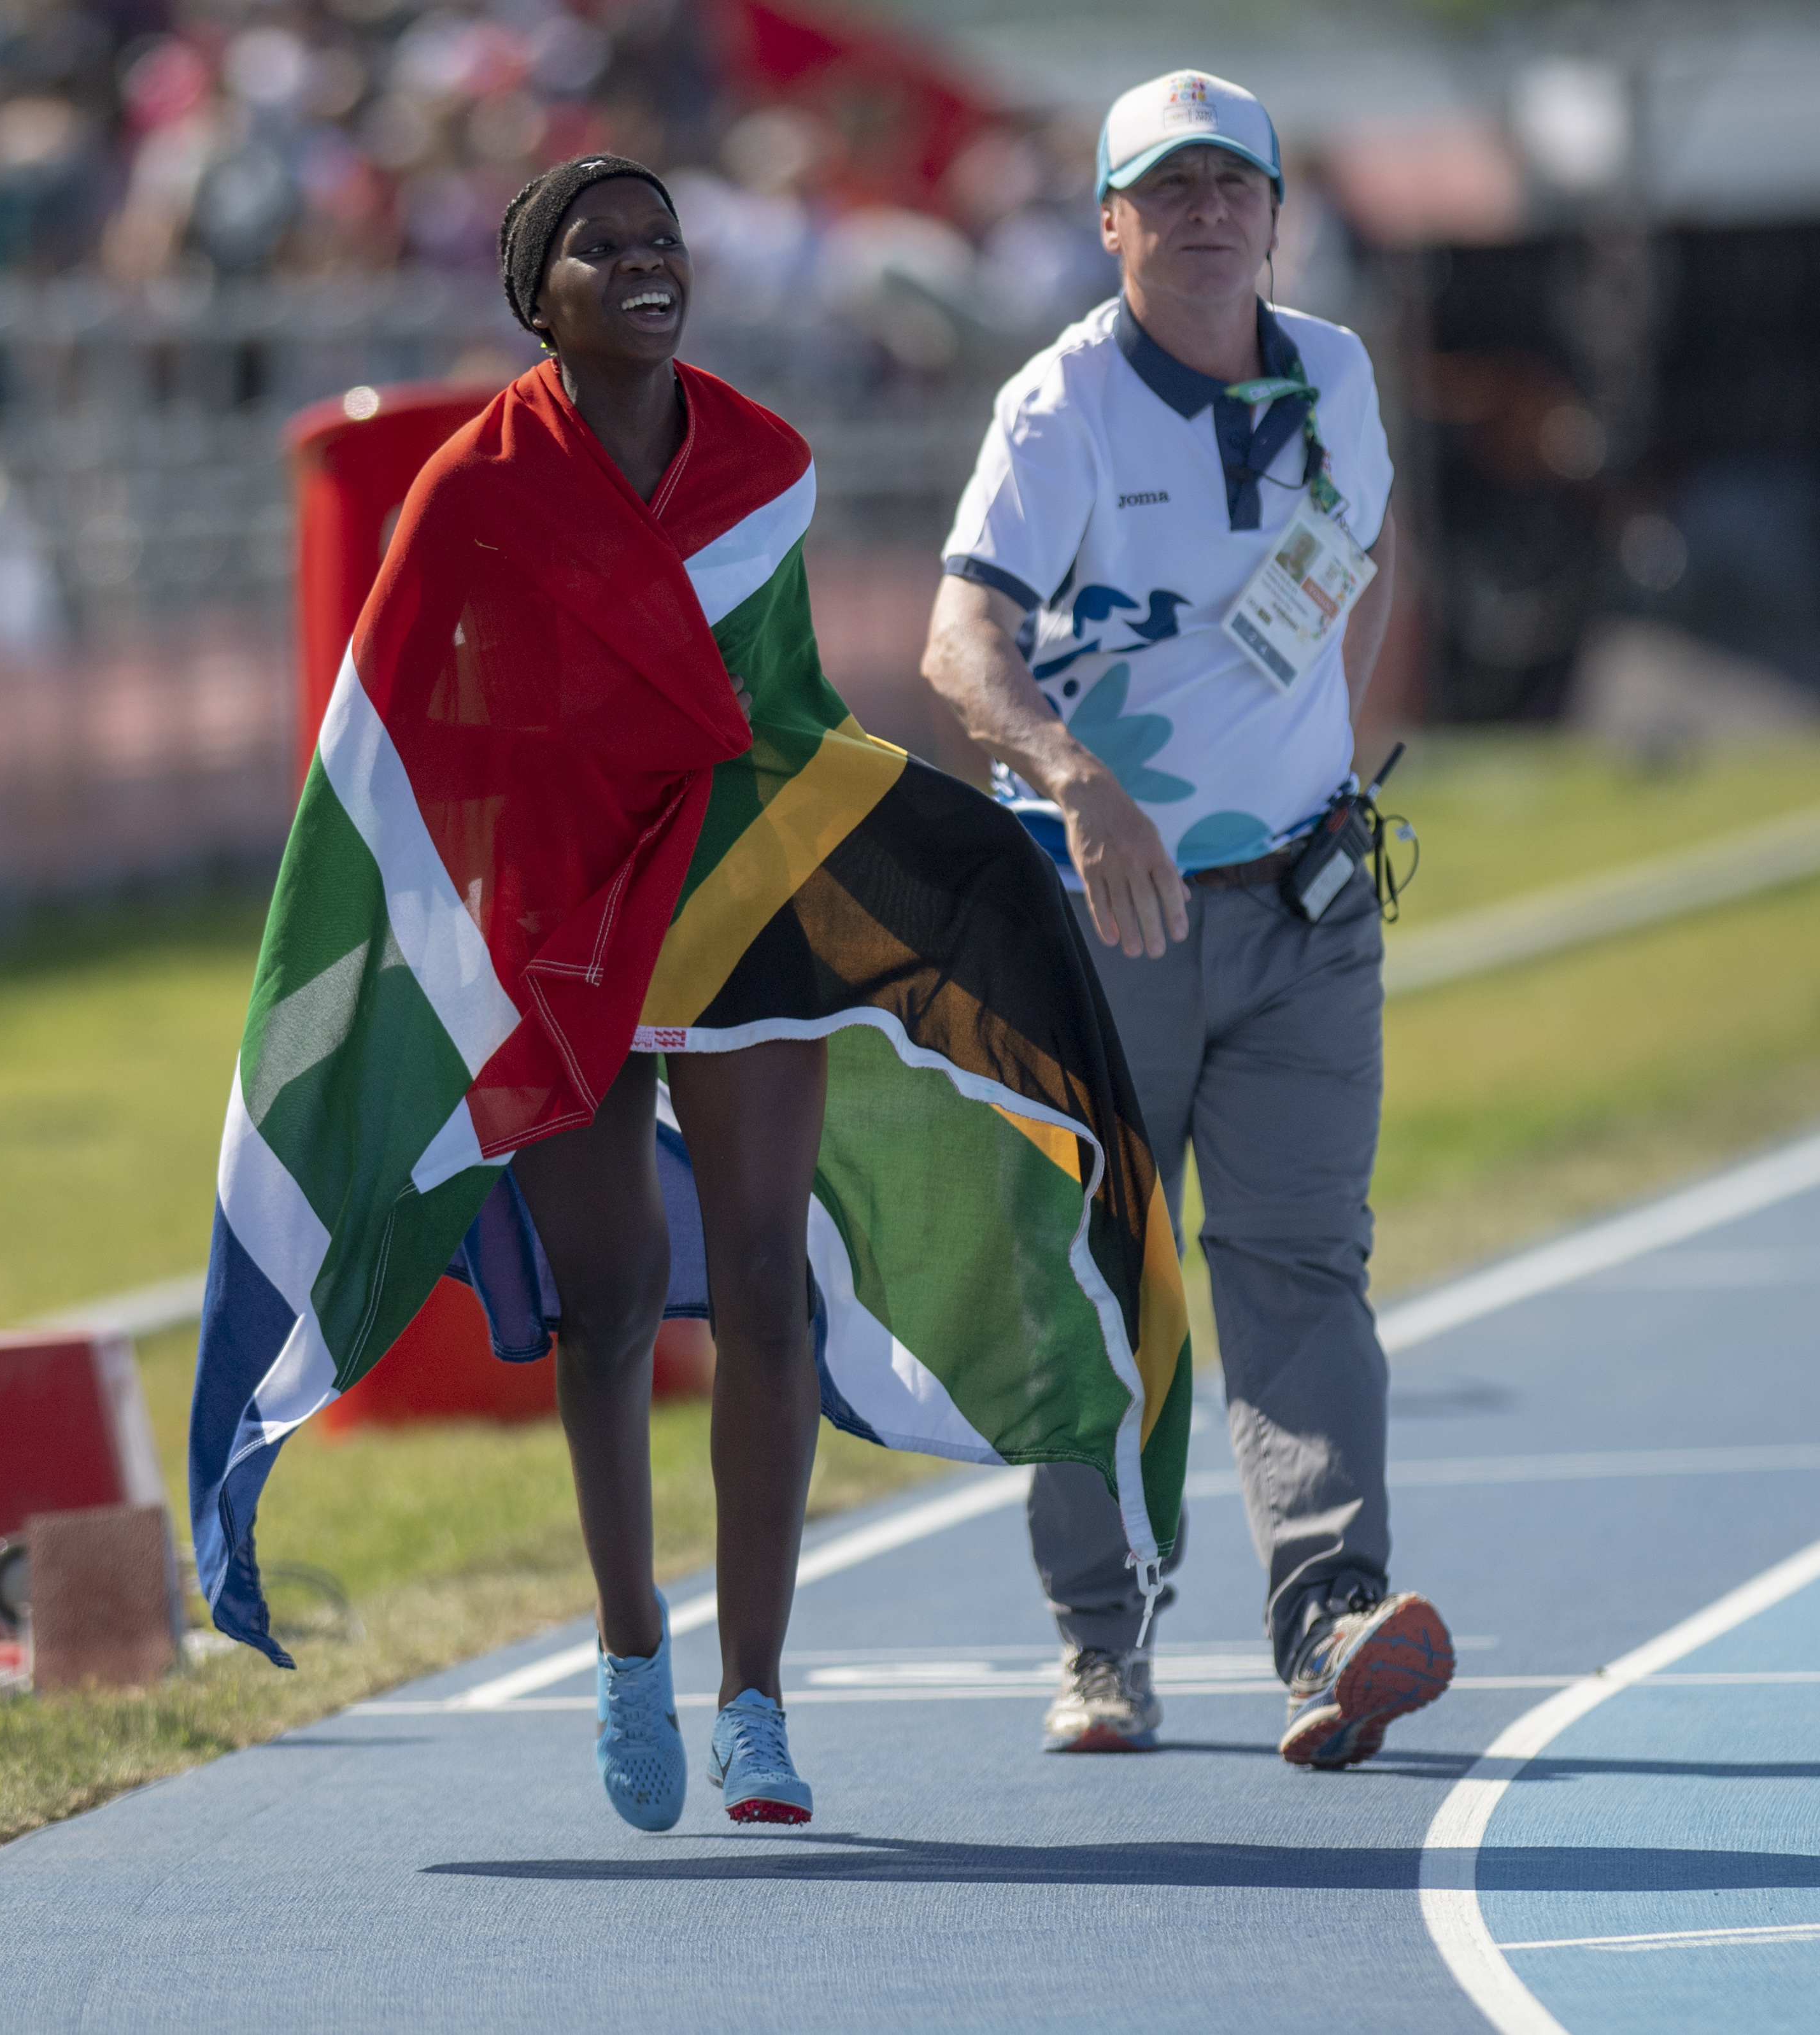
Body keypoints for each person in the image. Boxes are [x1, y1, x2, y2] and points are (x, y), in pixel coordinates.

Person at [188, 155, 1188, 1837]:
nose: (649, 264)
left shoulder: (764, 463)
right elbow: (412, 740)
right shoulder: (467, 489)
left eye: (666, 240)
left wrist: (932, 832)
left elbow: (779, 709)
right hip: (564, 918)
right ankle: (632, 1645)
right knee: (609, 1292)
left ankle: (756, 1704)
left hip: (738, 901)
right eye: (607, 246)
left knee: (762, 1288)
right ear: (541, 294)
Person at [922, 73, 1454, 1768]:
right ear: (1111, 223)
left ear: (1279, 213)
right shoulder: (1062, 405)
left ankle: (1333, 1624)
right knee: (1093, 1280)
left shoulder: (1340, 375)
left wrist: (1327, 778)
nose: (1210, 209)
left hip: (1303, 905)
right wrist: (1082, 786)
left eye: (1238, 182)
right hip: (1100, 922)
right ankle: (1100, 1638)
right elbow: (958, 650)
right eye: (1172, 186)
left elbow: (1367, 567)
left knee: (1304, 1263)